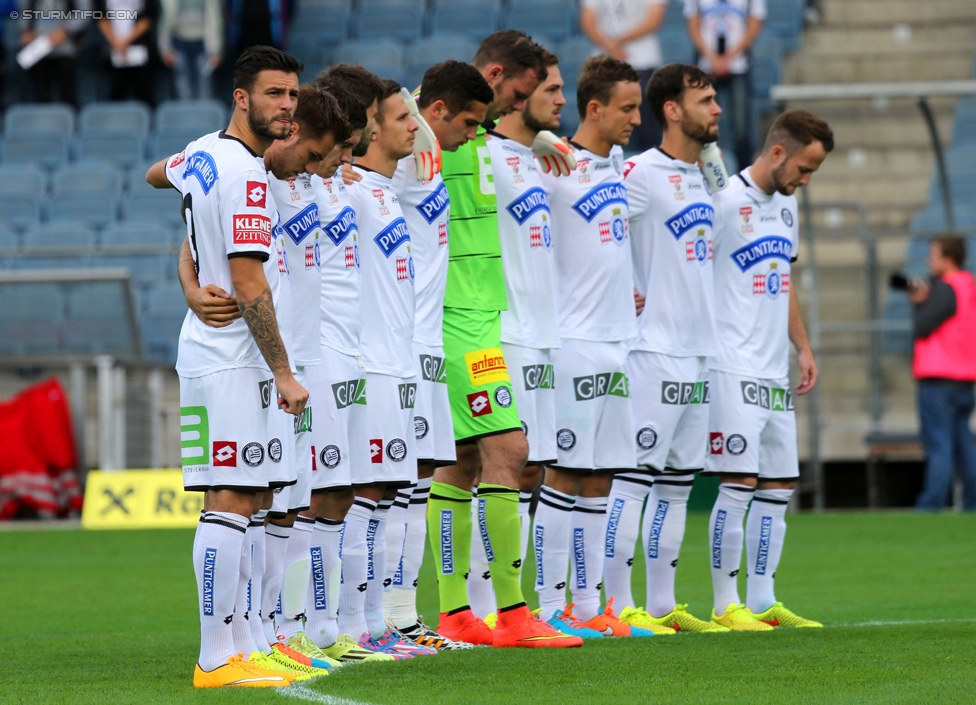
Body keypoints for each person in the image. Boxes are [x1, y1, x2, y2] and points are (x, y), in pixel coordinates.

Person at [146, 45, 310, 688]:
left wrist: (188, 273)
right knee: (232, 496)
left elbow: (160, 175)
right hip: (231, 357)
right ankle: (216, 654)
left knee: (254, 496)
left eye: (292, 95)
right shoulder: (243, 171)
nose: (286, 106)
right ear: (241, 97)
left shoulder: (204, 153)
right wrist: (284, 372)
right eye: (274, 94)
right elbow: (248, 286)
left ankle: (243, 641)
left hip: (222, 353)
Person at [424, 30, 581, 649]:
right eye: (522, 89)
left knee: (464, 462)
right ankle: (510, 613)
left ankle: (457, 613)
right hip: (462, 323)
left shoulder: (482, 137)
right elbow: (386, 119)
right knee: (510, 454)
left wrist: (522, 138)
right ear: (494, 76)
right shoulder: (427, 126)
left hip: (484, 317)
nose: (523, 101)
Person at [535, 54, 668, 640]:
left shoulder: (616, 164)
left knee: (603, 478)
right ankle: (546, 605)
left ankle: (590, 608)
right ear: (594, 109)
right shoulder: (552, 166)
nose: (636, 119)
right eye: (627, 108)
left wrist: (631, 288)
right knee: (563, 475)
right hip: (573, 342)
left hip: (619, 344)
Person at [604, 62, 726, 633]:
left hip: (700, 352)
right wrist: (618, 288)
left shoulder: (709, 174)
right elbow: (595, 233)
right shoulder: (641, 173)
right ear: (672, 110)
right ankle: (615, 603)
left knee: (678, 486)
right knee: (633, 480)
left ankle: (662, 605)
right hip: (652, 350)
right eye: (705, 99)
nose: (717, 108)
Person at [705, 109, 832, 630]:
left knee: (778, 486)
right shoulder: (724, 203)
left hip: (773, 368)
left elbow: (782, 282)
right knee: (739, 481)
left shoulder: (787, 207)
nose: (805, 181)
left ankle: (762, 599)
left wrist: (801, 347)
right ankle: (724, 602)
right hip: (730, 363)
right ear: (777, 152)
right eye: (805, 168)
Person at [385, 61, 493, 650]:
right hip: (394, 343)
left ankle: (401, 617)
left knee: (417, 480)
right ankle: (367, 621)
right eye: (470, 123)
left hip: (426, 343)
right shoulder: (396, 157)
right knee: (381, 486)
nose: (474, 136)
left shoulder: (431, 155)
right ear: (438, 111)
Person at [467, 49, 564, 622]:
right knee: (496, 465)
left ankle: (513, 603)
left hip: (542, 332)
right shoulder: (479, 150)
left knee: (530, 471)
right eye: (544, 89)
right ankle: (486, 606)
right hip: (504, 331)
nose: (554, 101)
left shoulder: (534, 158)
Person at [303, 64, 394, 663]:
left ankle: (343, 627)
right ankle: (302, 629)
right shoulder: (287, 180)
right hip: (312, 358)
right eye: (350, 136)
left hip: (356, 354)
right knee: (301, 498)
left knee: (347, 492)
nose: (354, 149)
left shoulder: (351, 185)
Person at [344, 80, 433, 660]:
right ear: (372, 127)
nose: (414, 126)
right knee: (363, 494)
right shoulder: (348, 189)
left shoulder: (383, 190)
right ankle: (351, 625)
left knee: (388, 495)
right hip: (369, 361)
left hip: (398, 362)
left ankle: (374, 623)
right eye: (403, 117)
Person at [910, 236, 976, 511]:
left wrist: (918, 302)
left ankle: (931, 505)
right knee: (965, 446)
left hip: (939, 380)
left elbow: (922, 326)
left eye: (933, 255)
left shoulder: (946, 289)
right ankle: (971, 503)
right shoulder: (969, 286)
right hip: (964, 379)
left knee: (939, 447)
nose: (929, 261)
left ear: (948, 259)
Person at [684, 0, 765, 170]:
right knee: (702, 123)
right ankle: (702, 170)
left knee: (741, 127)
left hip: (738, 65)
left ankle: (744, 173)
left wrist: (729, 57)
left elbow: (755, 24)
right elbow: (693, 25)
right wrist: (712, 58)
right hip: (706, 66)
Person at [579, 0, 667, 152]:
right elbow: (587, 20)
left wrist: (615, 43)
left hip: (643, 59)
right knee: (600, 120)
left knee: (645, 123)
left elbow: (654, 20)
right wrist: (612, 46)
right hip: (604, 61)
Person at [19, 0, 90, 107]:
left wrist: (65, 30)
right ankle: (40, 122)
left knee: (67, 95)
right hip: (37, 47)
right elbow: (23, 10)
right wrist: (26, 30)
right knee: (39, 96)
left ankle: (69, 121)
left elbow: (84, 12)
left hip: (66, 46)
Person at [95, 0, 160, 105]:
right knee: (114, 97)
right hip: (112, 52)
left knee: (144, 96)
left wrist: (126, 42)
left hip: (140, 52)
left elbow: (148, 17)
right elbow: (100, 16)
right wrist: (116, 43)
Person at [159, 0, 223, 99]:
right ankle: (184, 113)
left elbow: (214, 18)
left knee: (205, 89)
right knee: (182, 90)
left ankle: (204, 114)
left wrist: (216, 50)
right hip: (179, 42)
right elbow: (165, 19)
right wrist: (165, 49)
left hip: (203, 44)